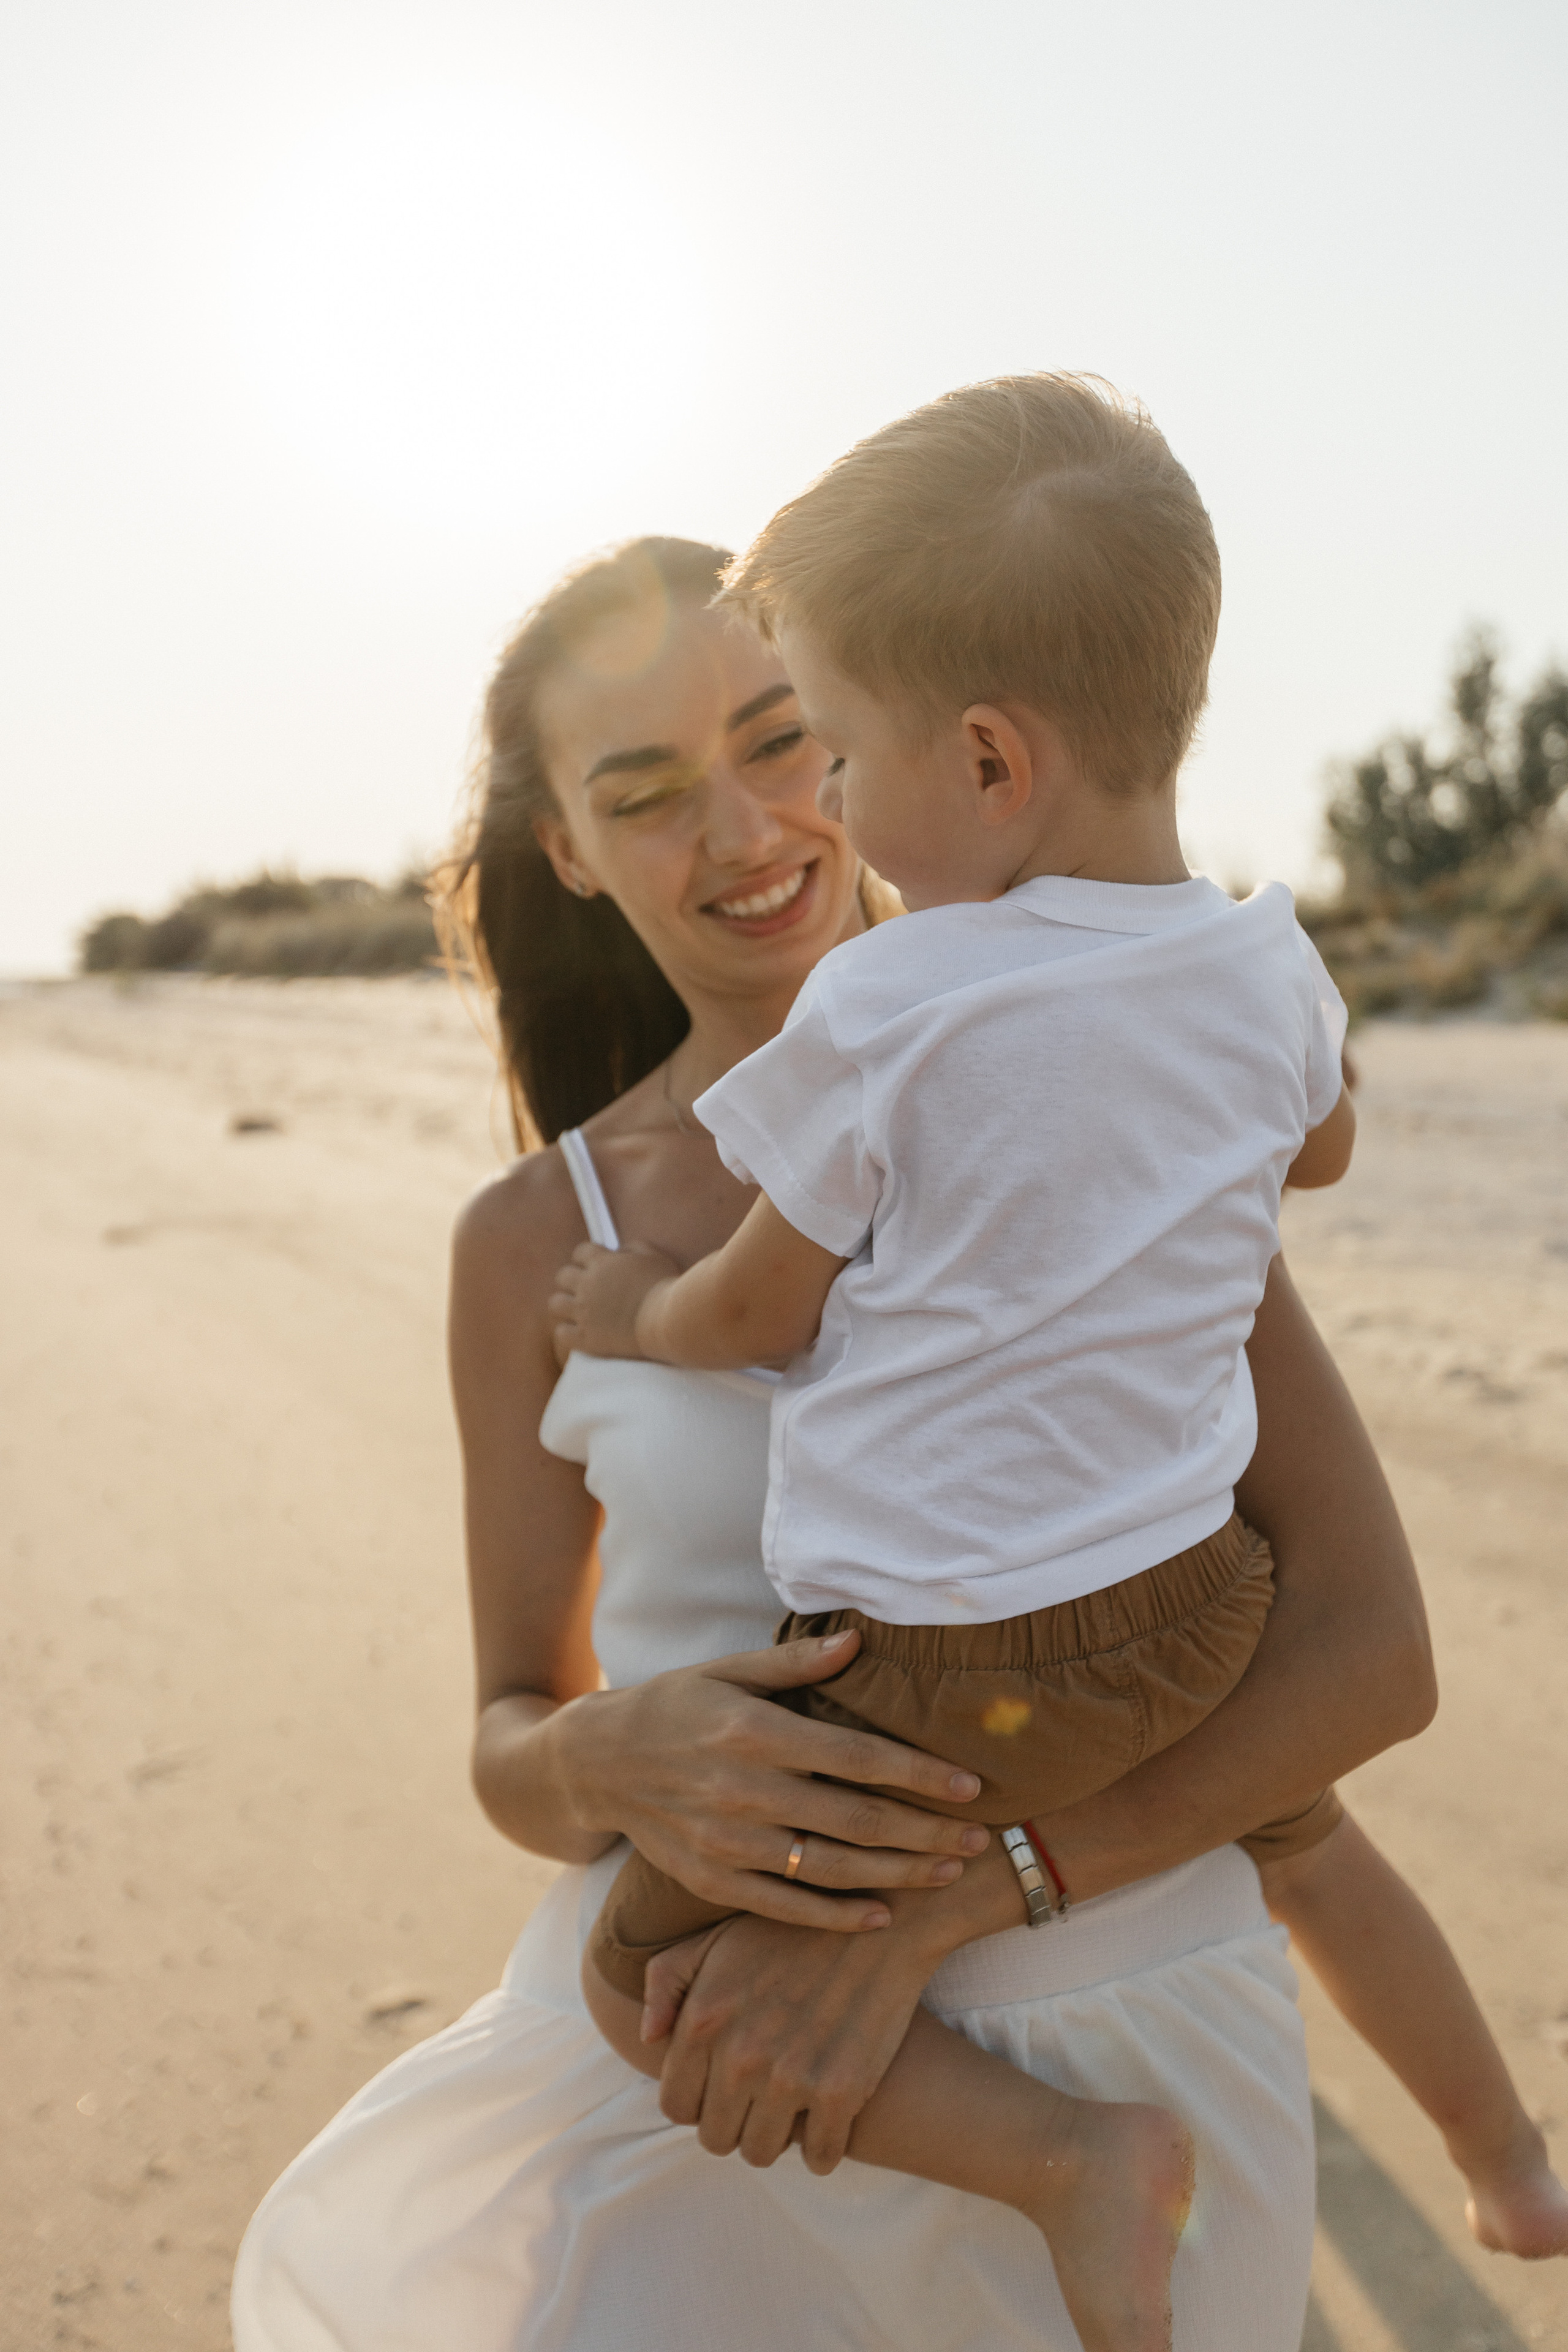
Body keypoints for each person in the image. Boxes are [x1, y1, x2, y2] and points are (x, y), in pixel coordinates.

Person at [232, 535, 1441, 2352]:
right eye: (644, 795)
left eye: (784, 741)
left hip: (1129, 2038)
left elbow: (1371, 1657)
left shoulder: (1077, 1085)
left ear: (889, 740)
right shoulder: (535, 1243)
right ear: (566, 846)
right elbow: (506, 1741)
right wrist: (611, 1757)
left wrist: (935, 1910)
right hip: (702, 2080)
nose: (743, 833)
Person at [553, 385, 1568, 2331]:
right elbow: (1318, 1142)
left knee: (636, 1976)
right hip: (1193, 1614)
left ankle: (1067, 2164)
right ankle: (1509, 2159)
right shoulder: (1269, 962)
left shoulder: (892, 998)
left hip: (951, 1668)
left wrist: (633, 1319)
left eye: (832, 757)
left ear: (992, 762)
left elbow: (759, 1310)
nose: (821, 816)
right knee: (1310, 1836)